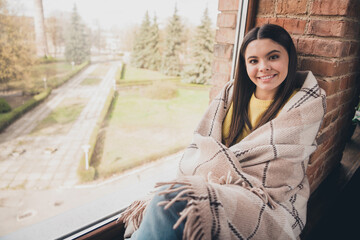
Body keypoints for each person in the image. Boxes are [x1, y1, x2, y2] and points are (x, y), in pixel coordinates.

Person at [120, 24, 326, 240]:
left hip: (265, 196)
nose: (263, 67)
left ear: (289, 58)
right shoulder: (231, 95)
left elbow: (281, 168)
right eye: (253, 61)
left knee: (173, 199)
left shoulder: (303, 104)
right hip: (217, 182)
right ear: (245, 65)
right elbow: (203, 143)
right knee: (169, 203)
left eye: (273, 57)